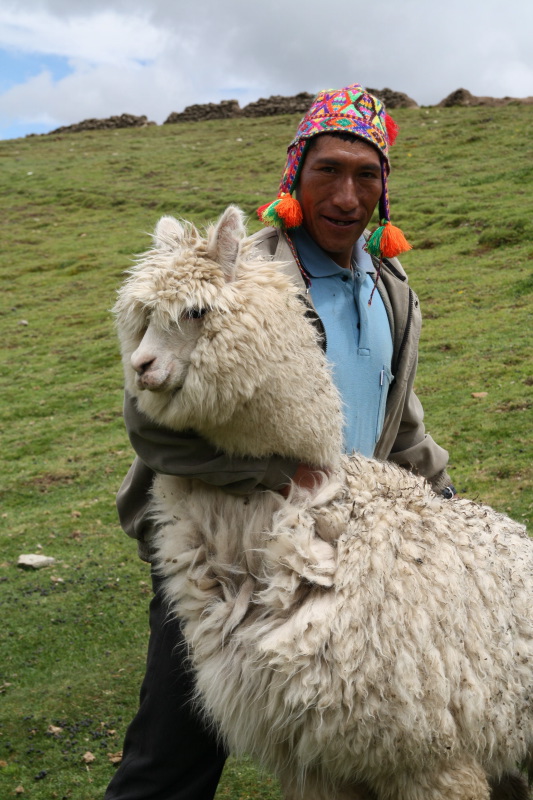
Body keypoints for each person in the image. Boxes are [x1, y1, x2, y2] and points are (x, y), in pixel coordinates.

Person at [105, 83, 455, 800]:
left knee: (353, 743)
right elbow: (150, 424)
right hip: (221, 556)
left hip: (342, 551)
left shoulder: (388, 285)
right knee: (173, 755)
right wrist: (277, 473)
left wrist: (439, 495)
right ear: (293, 174)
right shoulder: (239, 280)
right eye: (327, 170)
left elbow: (395, 407)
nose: (346, 195)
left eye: (366, 175)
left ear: (384, 188)